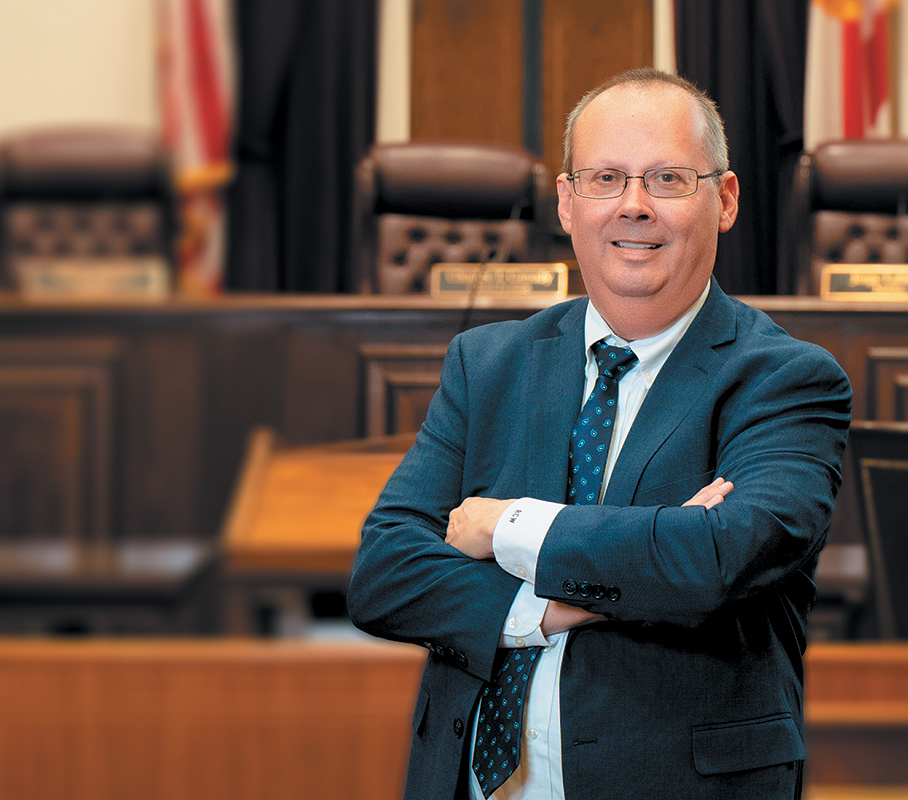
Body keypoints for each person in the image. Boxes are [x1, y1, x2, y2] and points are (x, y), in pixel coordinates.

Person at [347, 68, 852, 800]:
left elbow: (716, 558)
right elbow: (384, 572)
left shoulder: (785, 379)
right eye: (606, 178)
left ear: (725, 200)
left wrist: (508, 527)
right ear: (566, 201)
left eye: (668, 179)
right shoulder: (486, 365)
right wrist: (552, 607)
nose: (633, 205)